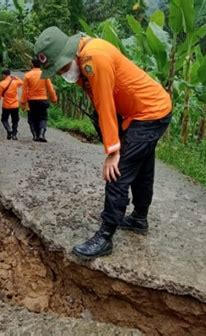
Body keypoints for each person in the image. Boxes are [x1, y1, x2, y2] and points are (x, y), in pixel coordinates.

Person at [34, 27, 172, 259]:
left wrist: (113, 150)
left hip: (148, 113)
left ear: (69, 54)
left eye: (62, 67)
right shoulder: (82, 59)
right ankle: (139, 218)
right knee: (142, 166)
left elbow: (105, 102)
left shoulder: (93, 58)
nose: (61, 74)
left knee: (117, 172)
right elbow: (100, 106)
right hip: (145, 112)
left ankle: (105, 236)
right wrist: (114, 137)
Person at [21, 58, 58, 142]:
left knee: (32, 118)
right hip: (43, 100)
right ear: (40, 64)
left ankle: (35, 135)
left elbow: (25, 91)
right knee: (43, 118)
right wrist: (54, 99)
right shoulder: (44, 75)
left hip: (32, 101)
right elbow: (50, 89)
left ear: (32, 64)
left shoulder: (27, 75)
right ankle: (41, 134)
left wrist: (23, 102)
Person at [0, 69, 23, 140]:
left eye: (2, 75)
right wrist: (15, 77)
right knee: (15, 120)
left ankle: (9, 130)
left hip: (6, 105)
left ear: (4, 75)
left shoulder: (1, 84)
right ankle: (14, 135)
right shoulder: (15, 82)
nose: (2, 76)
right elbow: (22, 82)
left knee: (4, 119)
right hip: (15, 105)